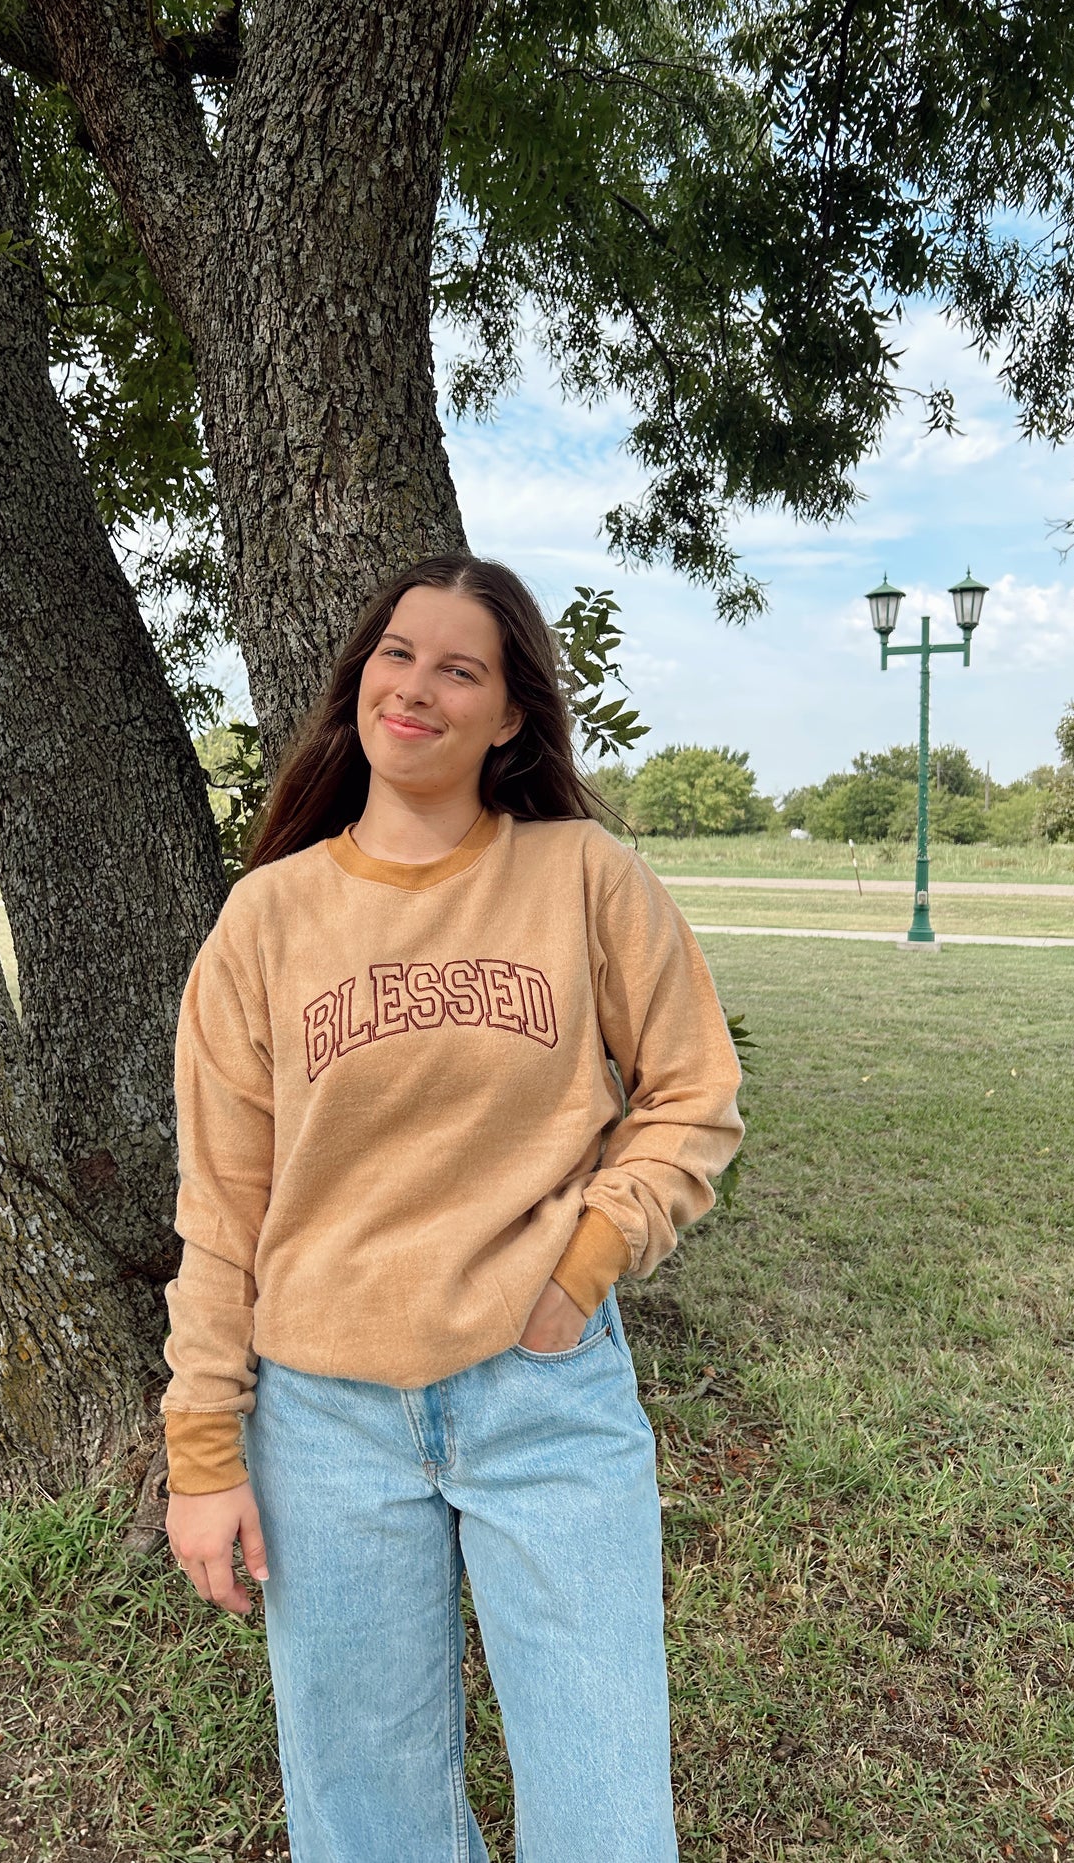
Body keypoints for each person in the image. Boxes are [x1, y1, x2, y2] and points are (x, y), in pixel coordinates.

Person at [161, 553, 744, 1863]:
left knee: (603, 1805)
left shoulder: (582, 877)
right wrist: (204, 1452)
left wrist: (576, 1274)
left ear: (509, 717)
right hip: (322, 1424)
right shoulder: (265, 921)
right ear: (358, 682)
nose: (414, 686)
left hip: (544, 1397)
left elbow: (693, 1098)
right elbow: (221, 1204)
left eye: (458, 668)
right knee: (364, 1808)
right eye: (395, 654)